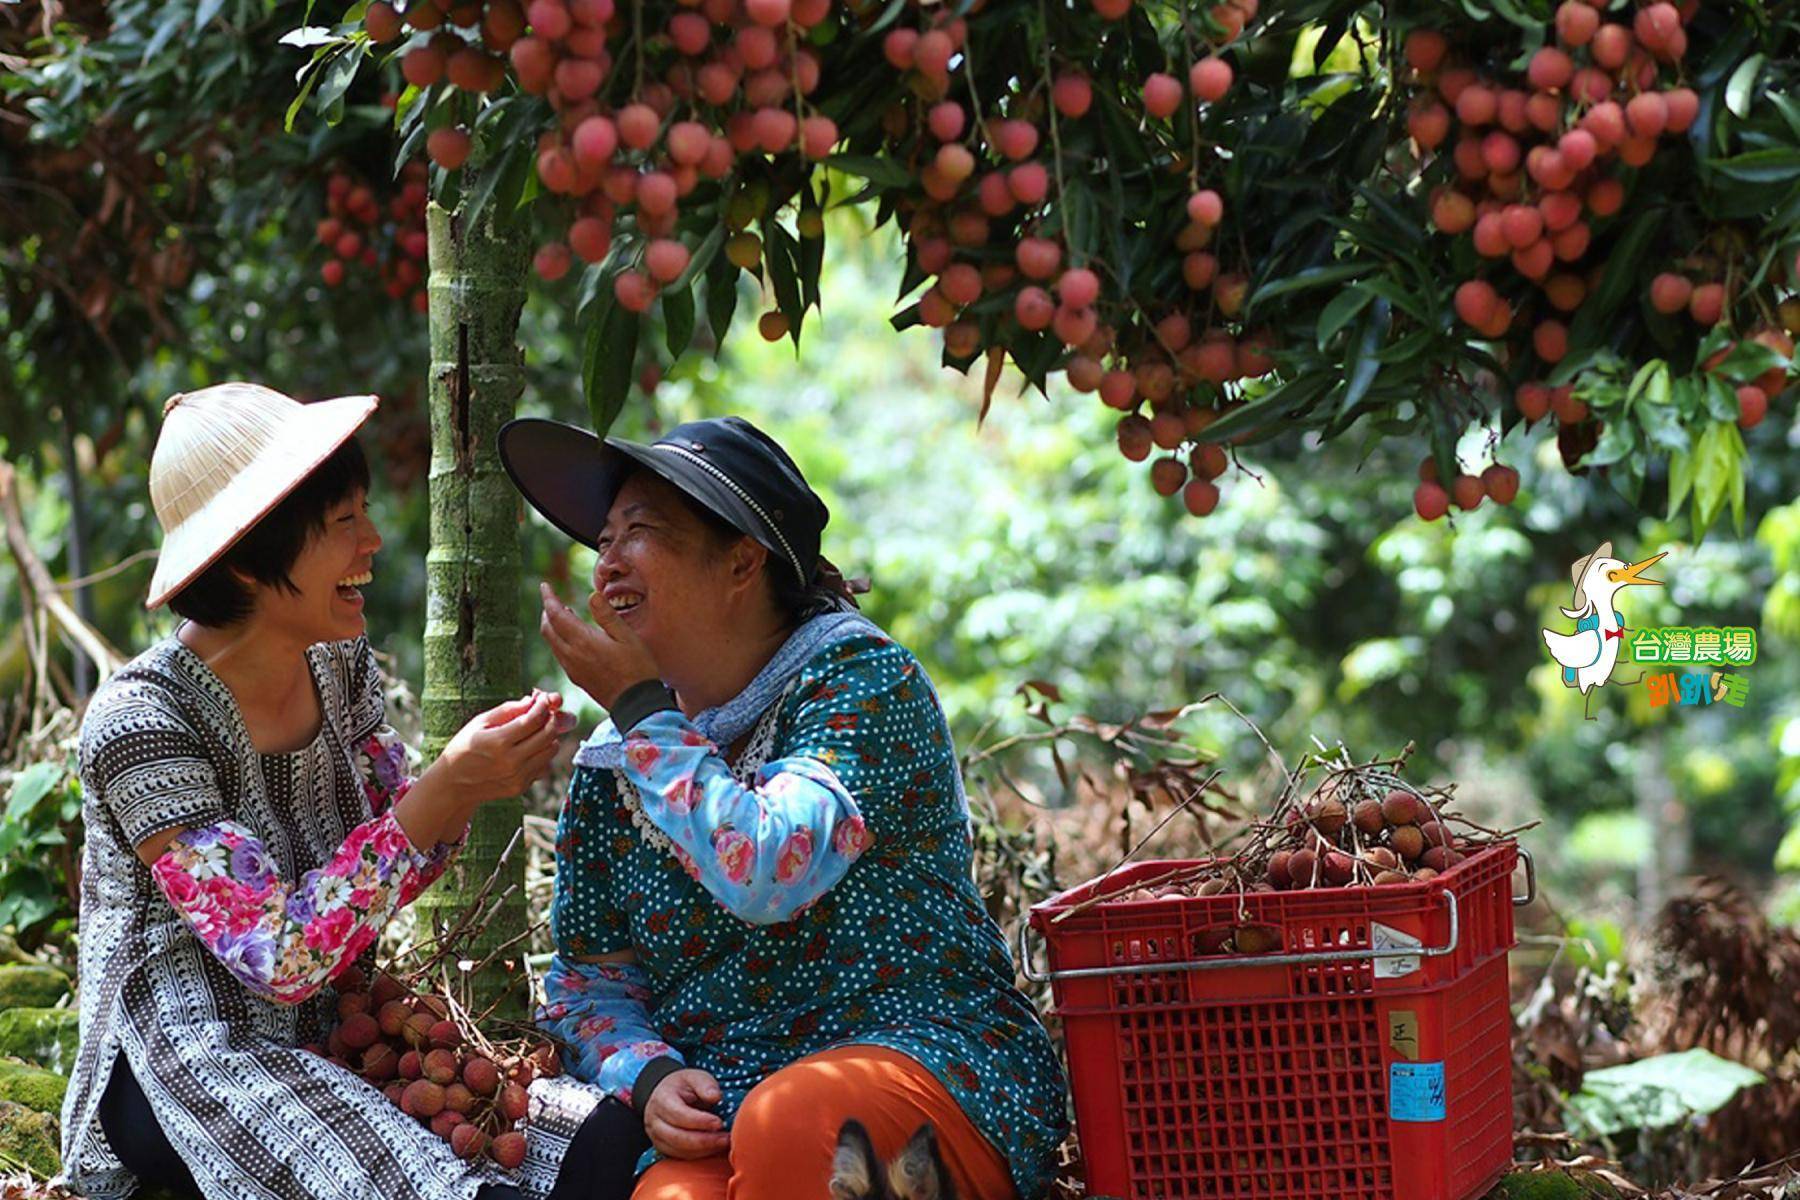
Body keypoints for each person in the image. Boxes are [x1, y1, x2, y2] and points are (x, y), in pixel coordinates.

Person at [61, 383, 628, 1200]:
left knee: (597, 1145)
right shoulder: (142, 723)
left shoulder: (339, 663)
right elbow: (278, 956)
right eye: (343, 524)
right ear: (253, 558)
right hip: (189, 1056)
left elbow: (406, 853)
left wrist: (471, 785)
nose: (373, 542)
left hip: (339, 1030)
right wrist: (447, 788)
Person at [499, 415, 1068, 1200]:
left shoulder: (862, 682)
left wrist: (640, 710)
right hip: (728, 1106)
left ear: (741, 560)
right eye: (604, 540)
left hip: (926, 1065)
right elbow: (586, 982)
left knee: (794, 1123)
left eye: (641, 532)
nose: (608, 566)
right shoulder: (618, 756)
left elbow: (770, 868)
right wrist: (650, 1074)